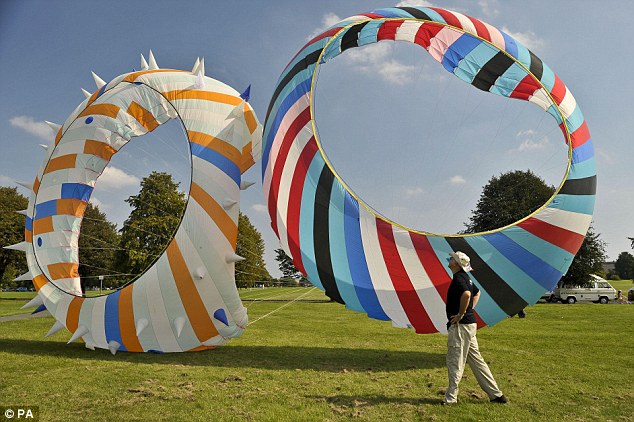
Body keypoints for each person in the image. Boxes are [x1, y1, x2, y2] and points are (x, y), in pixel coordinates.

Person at [442, 251, 507, 405]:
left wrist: (460, 314)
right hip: (469, 326)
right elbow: (477, 293)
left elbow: (466, 295)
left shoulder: (459, 278)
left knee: (455, 361)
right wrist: (469, 310)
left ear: (457, 264)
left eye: (452, 258)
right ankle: (496, 395)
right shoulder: (467, 278)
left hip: (461, 327)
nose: (449, 259)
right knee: (477, 362)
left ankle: (451, 399)